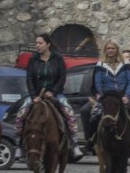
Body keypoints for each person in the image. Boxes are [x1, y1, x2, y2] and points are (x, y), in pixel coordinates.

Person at [14, 33, 83, 161]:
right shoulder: (33, 60)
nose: (37, 46)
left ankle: (74, 144)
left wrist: (53, 92)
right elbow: (29, 79)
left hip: (55, 93)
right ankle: (18, 144)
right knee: (21, 114)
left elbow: (62, 78)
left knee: (69, 113)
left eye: (40, 43)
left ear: (48, 44)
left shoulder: (57, 59)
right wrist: (34, 95)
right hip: (36, 95)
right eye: (36, 43)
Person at [81, 40, 130, 150]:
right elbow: (98, 83)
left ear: (117, 50)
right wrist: (102, 96)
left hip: (122, 96)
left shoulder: (125, 64)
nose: (110, 51)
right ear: (105, 50)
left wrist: (127, 96)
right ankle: (90, 139)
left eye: (112, 48)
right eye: (108, 48)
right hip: (107, 97)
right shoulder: (100, 65)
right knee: (88, 112)